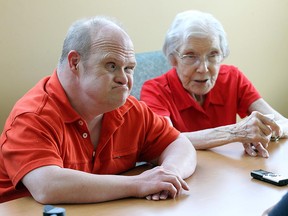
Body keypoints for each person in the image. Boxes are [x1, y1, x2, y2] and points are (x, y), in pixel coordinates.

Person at [0, 16, 197, 204]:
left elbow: (179, 144)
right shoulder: (32, 116)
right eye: (112, 65)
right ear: (75, 63)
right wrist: (139, 184)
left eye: (129, 68)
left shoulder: (126, 109)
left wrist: (168, 174)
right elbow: (47, 185)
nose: (124, 79)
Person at [140, 10, 288, 158]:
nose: (203, 68)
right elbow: (164, 141)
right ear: (173, 59)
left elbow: (282, 123)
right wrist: (235, 132)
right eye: (191, 56)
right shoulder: (155, 90)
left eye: (213, 55)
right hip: (185, 176)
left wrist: (265, 132)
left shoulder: (232, 77)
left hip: (227, 171)